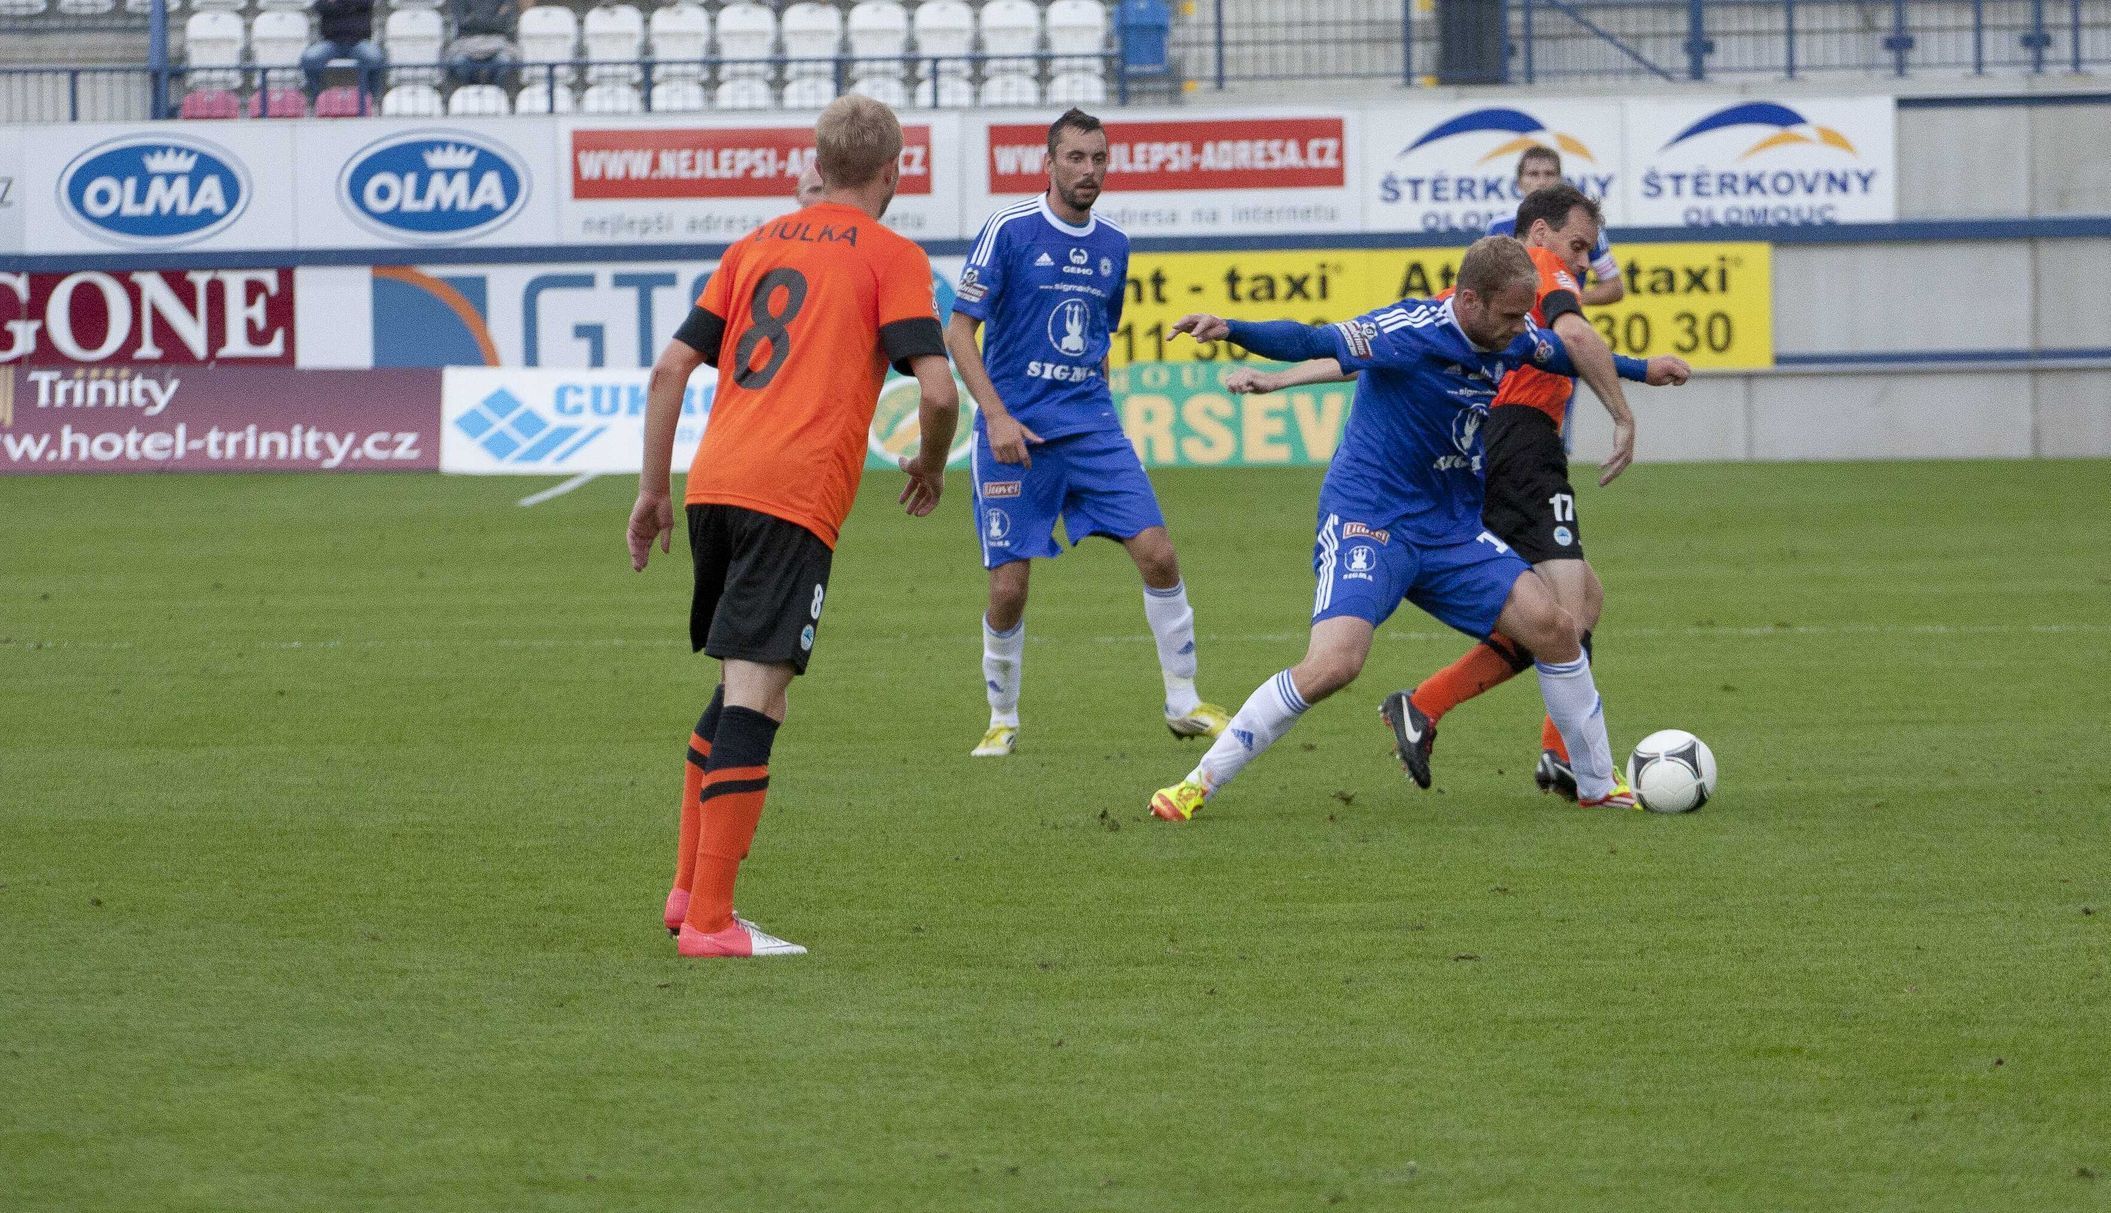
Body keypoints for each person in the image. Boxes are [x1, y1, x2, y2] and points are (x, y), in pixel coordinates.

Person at [1146, 236, 1636, 823]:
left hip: (1451, 528)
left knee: (1554, 628)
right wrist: (1233, 327)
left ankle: (1596, 784)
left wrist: (1643, 372)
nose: (1517, 328)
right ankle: (1196, 785)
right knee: (1334, 665)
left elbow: (1560, 351)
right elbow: (1313, 339)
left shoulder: (1510, 335)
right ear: (1470, 299)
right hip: (1370, 519)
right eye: (1509, 315)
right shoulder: (1408, 329)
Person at [628, 96, 959, 958]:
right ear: (892, 171)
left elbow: (670, 368)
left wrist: (651, 490)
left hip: (716, 485)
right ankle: (710, 923)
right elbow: (936, 390)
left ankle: (686, 891)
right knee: (757, 693)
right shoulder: (893, 256)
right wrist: (928, 463)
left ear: (815, 160)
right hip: (791, 496)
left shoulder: (752, 246)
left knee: (748, 683)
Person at [1230, 185, 1690, 799]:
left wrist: (1639, 368)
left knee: (1567, 615)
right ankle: (1528, 746)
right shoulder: (1503, 292)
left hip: (1466, 484)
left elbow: (1546, 350)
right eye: (1577, 246)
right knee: (1562, 614)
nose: (1582, 261)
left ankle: (1574, 770)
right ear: (1541, 236)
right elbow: (1573, 338)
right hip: (1476, 469)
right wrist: (1624, 411)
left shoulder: (1507, 316)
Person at [946, 108, 1228, 758]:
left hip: (1091, 428)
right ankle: (1001, 716)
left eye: (1098, 158)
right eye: (1075, 157)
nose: (1088, 170)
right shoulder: (1010, 229)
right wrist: (994, 414)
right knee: (1008, 587)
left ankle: (1182, 700)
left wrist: (1100, 407)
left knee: (1158, 553)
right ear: (1048, 163)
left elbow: (1098, 334)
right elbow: (959, 330)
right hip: (1014, 432)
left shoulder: (1113, 244)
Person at [1491, 147, 1624, 307]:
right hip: (1516, 324)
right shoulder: (1498, 226)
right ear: (1519, 183)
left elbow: (1614, 286)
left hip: (1562, 323)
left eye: (1549, 174)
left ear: (1560, 180)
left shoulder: (1583, 227)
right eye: (1533, 174)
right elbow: (1488, 283)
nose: (1541, 181)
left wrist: (1566, 301)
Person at [301, 0, 384, 100]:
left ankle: (371, 99)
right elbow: (319, 7)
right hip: (331, 42)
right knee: (309, 59)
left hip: (358, 42)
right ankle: (318, 98)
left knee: (375, 58)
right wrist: (350, 7)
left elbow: (365, 3)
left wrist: (336, 4)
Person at [446, 0, 519, 87]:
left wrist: (475, 19)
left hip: (497, 43)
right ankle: (470, 89)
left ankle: (495, 91)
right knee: (457, 62)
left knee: (505, 60)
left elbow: (504, 23)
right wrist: (495, 17)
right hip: (466, 44)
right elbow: (463, 23)